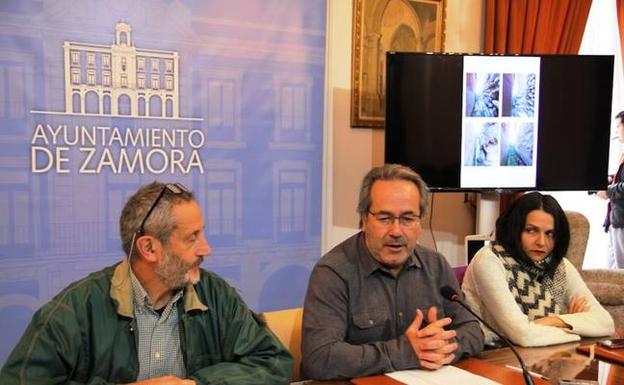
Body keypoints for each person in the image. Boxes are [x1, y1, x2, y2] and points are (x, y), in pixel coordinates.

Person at [0, 182, 293, 385]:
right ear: (149, 248)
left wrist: (195, 383)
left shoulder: (216, 295)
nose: (206, 249)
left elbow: (274, 362)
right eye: (192, 237)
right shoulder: (77, 308)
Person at [301, 164, 484, 380]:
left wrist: (441, 346)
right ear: (364, 220)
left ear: (420, 223)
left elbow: (473, 330)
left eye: (407, 219)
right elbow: (319, 358)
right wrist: (405, 352)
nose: (396, 231)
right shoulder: (333, 272)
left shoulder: (436, 265)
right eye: (384, 218)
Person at [462, 192, 614, 347]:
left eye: (550, 234)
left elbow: (606, 323)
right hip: (490, 356)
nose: (541, 242)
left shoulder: (560, 266)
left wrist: (556, 320)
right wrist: (577, 326)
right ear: (515, 229)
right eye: (531, 230)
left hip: (546, 354)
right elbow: (523, 336)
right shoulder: (489, 259)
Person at [598, 110, 624, 268]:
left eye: (618, 126)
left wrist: (608, 191)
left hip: (622, 221)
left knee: (620, 272)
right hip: (615, 219)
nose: (616, 131)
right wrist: (609, 179)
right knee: (612, 269)